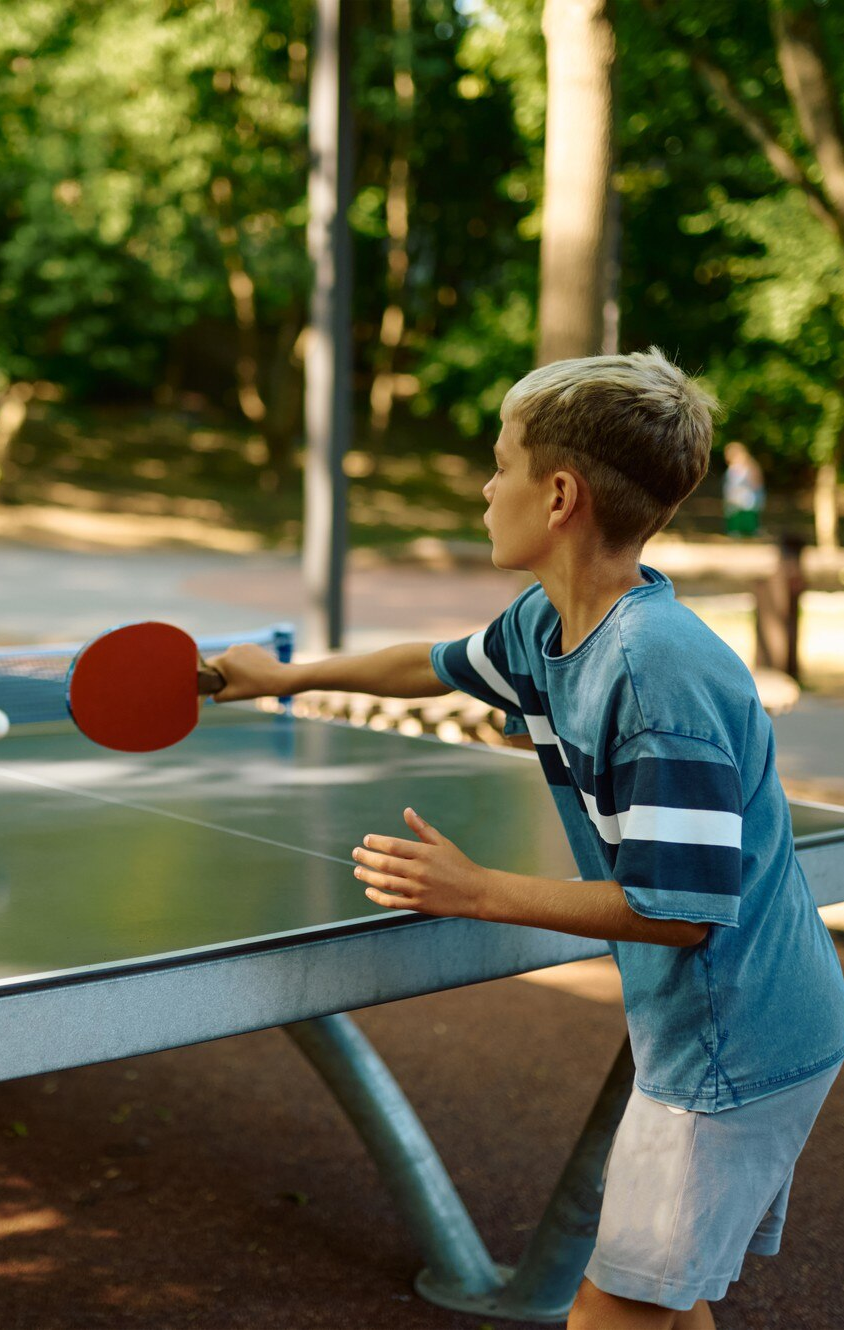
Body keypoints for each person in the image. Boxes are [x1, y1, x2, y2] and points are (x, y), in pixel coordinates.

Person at [209, 348, 844, 1330]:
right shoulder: (550, 626)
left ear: (557, 495)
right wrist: (285, 677)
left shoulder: (651, 676)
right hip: (714, 1027)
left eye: (499, 462)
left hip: (734, 1039)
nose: (482, 485)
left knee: (612, 1307)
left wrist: (475, 889)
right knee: (666, 1304)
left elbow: (674, 910)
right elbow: (430, 665)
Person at [721, 441, 764, 538]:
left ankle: (749, 530)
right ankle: (735, 530)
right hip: (734, 495)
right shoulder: (732, 467)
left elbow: (756, 482)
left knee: (746, 513)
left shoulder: (750, 466)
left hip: (745, 495)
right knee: (734, 513)